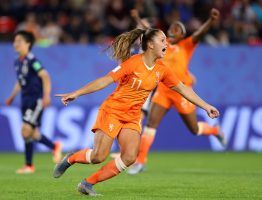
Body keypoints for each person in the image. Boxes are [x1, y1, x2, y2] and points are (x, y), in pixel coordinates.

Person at [53, 28, 220, 196]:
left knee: (130, 157)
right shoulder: (133, 63)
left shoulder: (162, 69)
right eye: (162, 40)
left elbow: (183, 89)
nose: (166, 43)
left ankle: (87, 184)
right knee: (98, 157)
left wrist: (206, 106)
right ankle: (71, 158)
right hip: (113, 111)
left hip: (132, 117)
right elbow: (105, 80)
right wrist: (76, 93)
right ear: (150, 44)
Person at [127, 8, 226, 175]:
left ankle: (215, 130)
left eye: (177, 30)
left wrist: (210, 20)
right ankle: (140, 162)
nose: (172, 31)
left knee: (194, 130)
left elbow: (200, 33)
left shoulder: (186, 46)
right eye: (171, 28)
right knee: (151, 125)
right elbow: (148, 31)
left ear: (182, 35)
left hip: (182, 92)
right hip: (164, 91)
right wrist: (137, 17)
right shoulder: (162, 46)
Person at [5, 30, 62, 174]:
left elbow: (45, 76)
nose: (15, 43)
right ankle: (54, 146)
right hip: (24, 100)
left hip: (35, 100)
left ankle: (29, 166)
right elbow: (20, 82)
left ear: (28, 44)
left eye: (19, 41)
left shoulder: (32, 60)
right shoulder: (18, 61)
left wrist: (46, 95)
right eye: (15, 41)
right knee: (33, 133)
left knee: (25, 131)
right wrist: (12, 96)